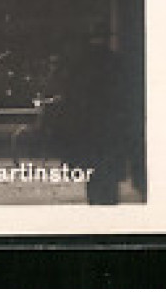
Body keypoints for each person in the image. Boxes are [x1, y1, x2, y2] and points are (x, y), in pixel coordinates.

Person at [53, 36, 134, 205]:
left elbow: (71, 100)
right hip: (109, 132)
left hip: (89, 132)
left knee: (94, 179)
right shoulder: (115, 63)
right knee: (108, 182)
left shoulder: (81, 64)